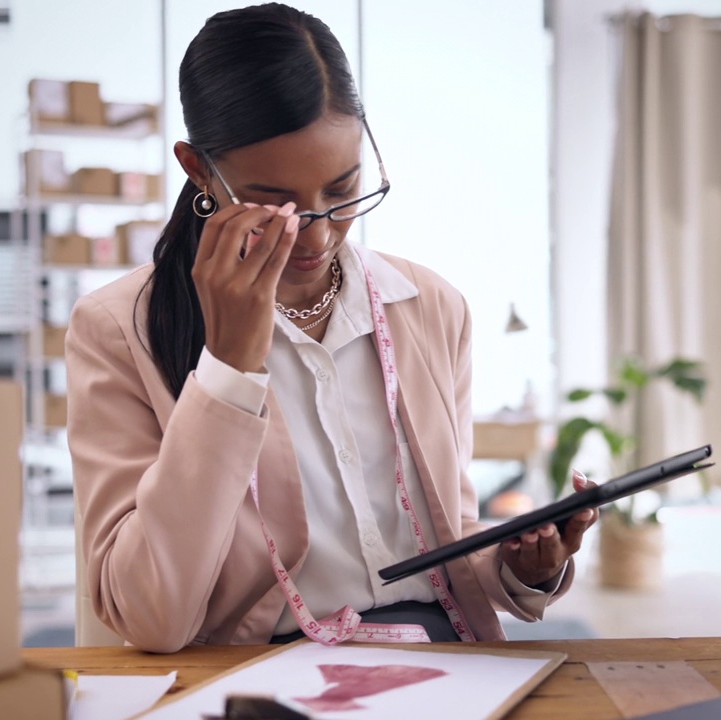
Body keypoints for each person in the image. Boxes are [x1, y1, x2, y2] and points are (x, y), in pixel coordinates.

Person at [65, 2, 597, 653]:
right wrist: (228, 369)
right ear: (199, 170)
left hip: (446, 661)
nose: (317, 229)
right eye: (274, 200)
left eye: (342, 186)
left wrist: (523, 569)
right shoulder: (117, 330)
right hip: (264, 674)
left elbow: (451, 551)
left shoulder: (430, 306)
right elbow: (152, 617)